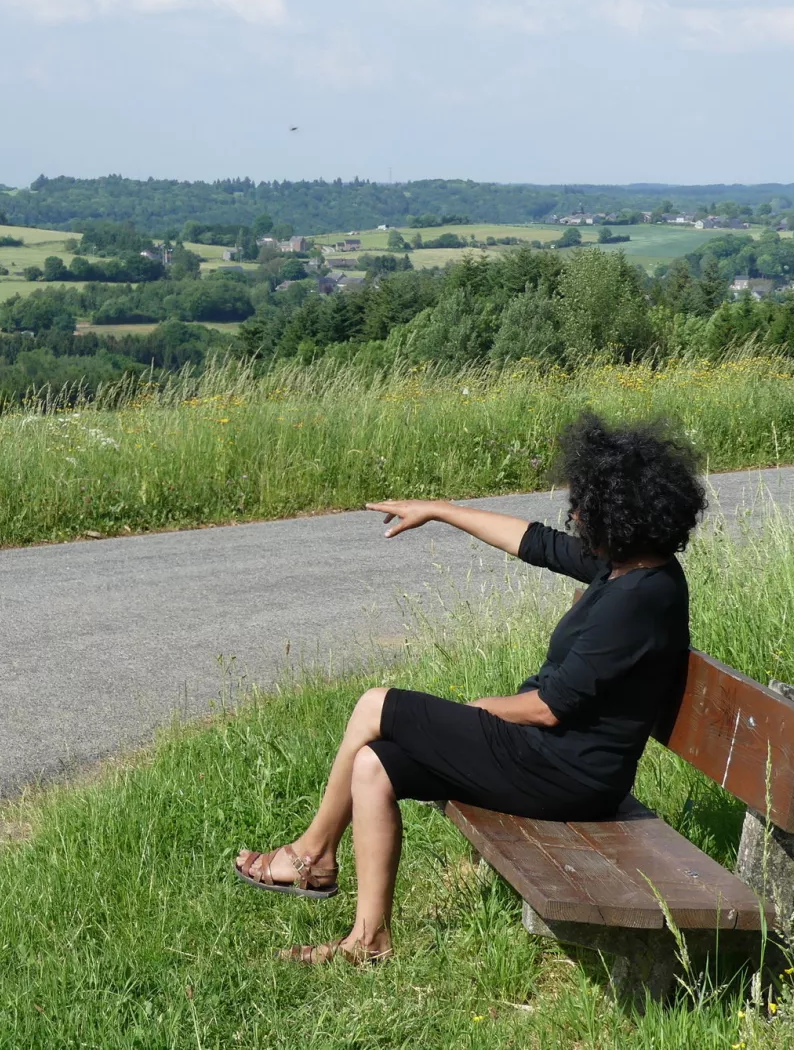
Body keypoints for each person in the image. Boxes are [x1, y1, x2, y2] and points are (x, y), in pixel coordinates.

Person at [234, 412, 708, 965]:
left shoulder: (642, 597)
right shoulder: (624, 566)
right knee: (374, 765)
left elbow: (551, 708)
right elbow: (534, 542)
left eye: (585, 505)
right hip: (548, 758)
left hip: (568, 773)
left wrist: (477, 713)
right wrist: (439, 510)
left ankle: (312, 854)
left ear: (621, 513)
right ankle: (369, 941)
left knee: (377, 704)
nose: (574, 515)